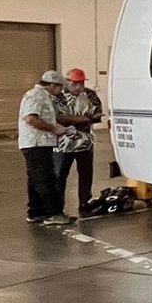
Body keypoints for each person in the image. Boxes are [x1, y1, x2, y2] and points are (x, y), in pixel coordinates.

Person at [18, 71, 75, 226]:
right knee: (45, 179)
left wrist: (62, 129)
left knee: (35, 179)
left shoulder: (42, 95)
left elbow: (42, 118)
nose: (61, 90)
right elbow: (31, 118)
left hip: (37, 143)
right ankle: (54, 213)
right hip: (37, 144)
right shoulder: (36, 95)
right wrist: (53, 129)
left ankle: (36, 212)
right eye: (60, 87)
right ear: (52, 85)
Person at [55, 68, 104, 217]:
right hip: (63, 143)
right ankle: (57, 208)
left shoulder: (90, 94)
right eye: (74, 84)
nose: (78, 87)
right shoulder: (58, 96)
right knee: (59, 175)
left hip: (84, 142)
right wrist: (76, 119)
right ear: (66, 82)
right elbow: (54, 116)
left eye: (81, 83)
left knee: (86, 174)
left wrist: (89, 118)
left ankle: (85, 203)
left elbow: (98, 113)